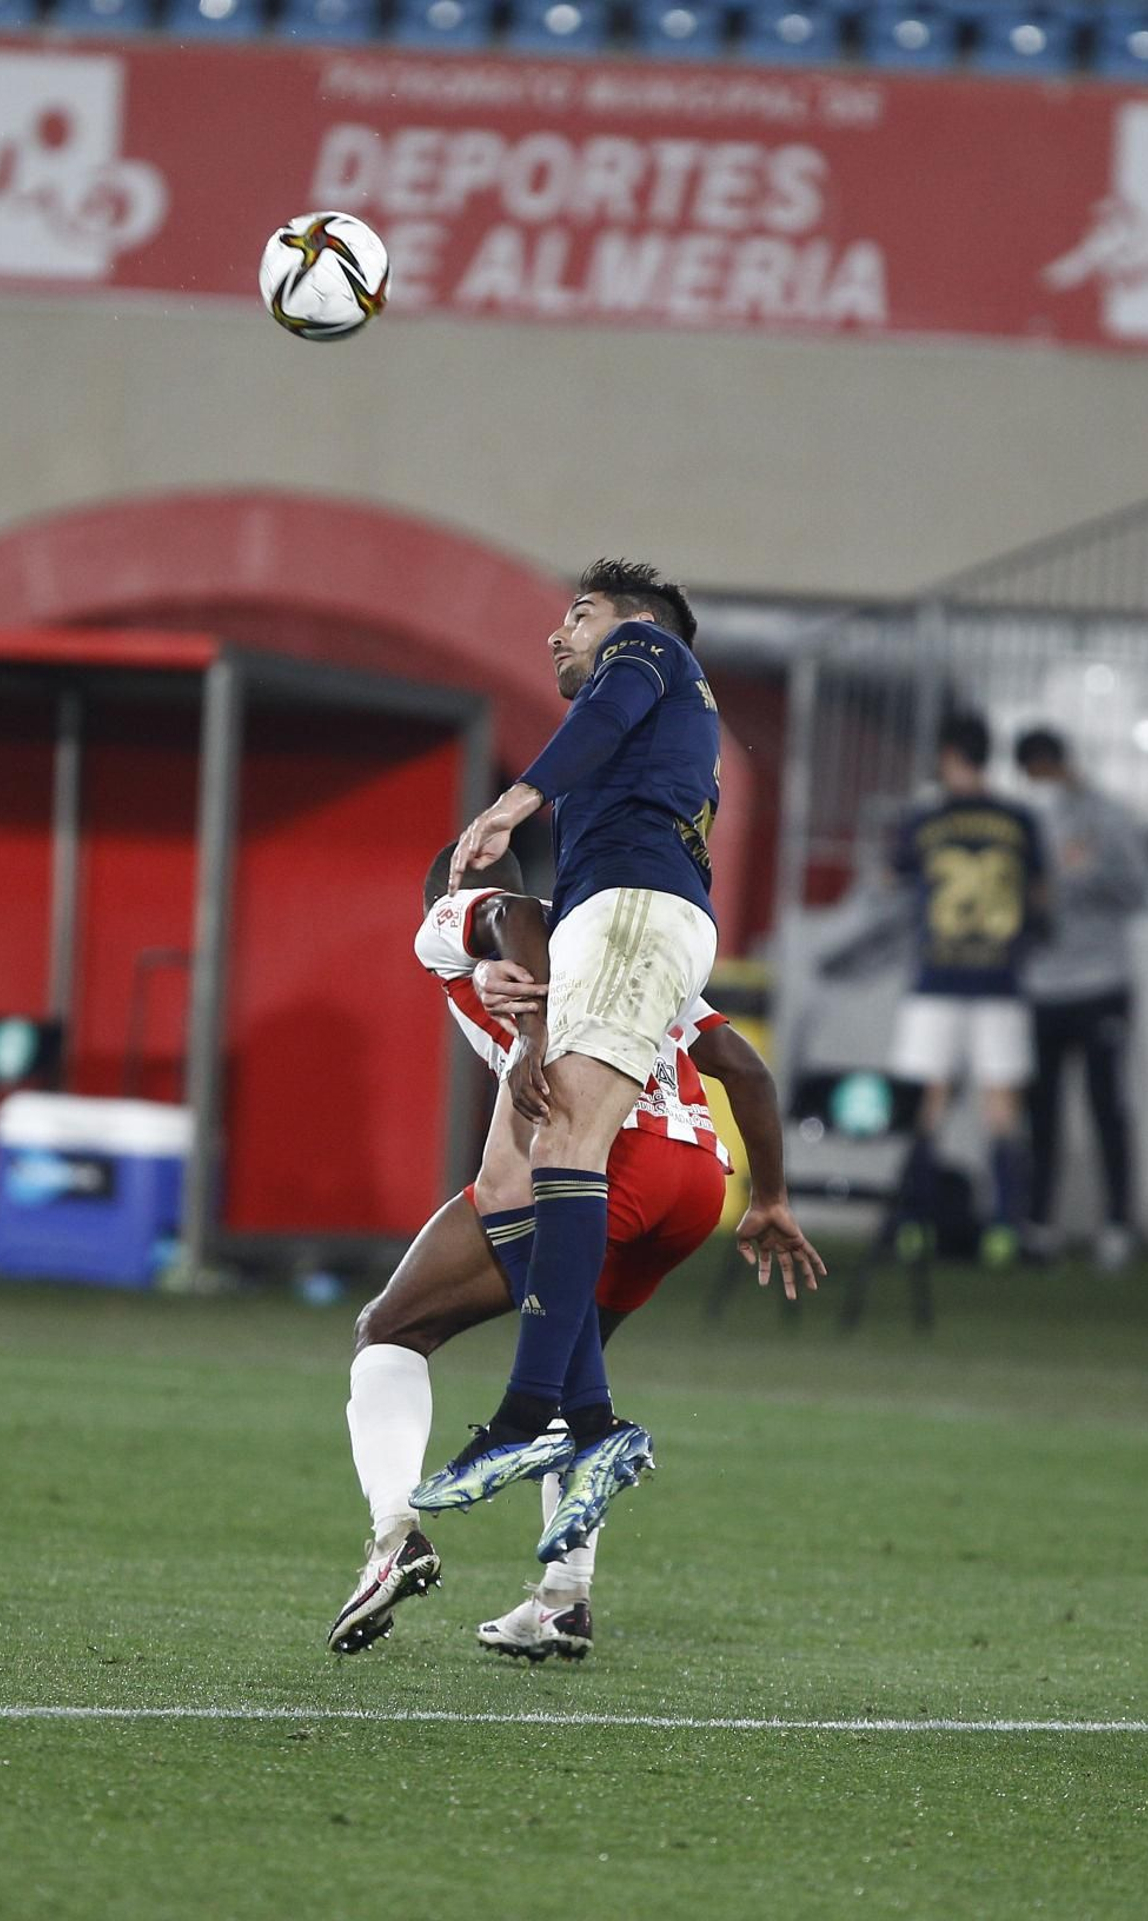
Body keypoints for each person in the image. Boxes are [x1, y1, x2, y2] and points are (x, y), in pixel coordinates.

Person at [329, 846, 822, 1661]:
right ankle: (562, 1599)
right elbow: (746, 1071)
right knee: (569, 1371)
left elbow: (519, 917)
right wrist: (768, 1197)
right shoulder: (623, 958)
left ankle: (394, 1536)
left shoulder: (455, 922)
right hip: (695, 1181)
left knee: (391, 1328)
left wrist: (530, 1028)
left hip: (601, 1165)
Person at [418, 559, 727, 1559]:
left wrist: (514, 800)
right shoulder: (659, 728)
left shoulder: (650, 649)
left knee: (566, 1149)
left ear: (634, 623)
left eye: (578, 615)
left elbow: (611, 700)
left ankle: (529, 1418)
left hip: (634, 910)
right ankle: (585, 1429)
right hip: (633, 920)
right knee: (557, 1146)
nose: (559, 635)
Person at [887, 713, 1048, 1267]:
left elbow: (893, 878)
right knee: (1001, 1111)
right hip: (1000, 981)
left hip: (937, 979)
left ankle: (913, 1226)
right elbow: (1042, 899)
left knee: (925, 1107)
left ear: (948, 755)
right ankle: (1006, 1228)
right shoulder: (1019, 820)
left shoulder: (928, 819)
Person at [1015, 726, 1148, 1271]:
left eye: (1042, 772)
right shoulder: (1027, 818)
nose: (1038, 784)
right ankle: (1040, 1225)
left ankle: (1119, 1225)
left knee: (1108, 1109)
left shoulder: (1109, 816)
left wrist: (1081, 876)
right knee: (1041, 1113)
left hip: (1100, 984)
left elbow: (1141, 888)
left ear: (1058, 765)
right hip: (1040, 987)